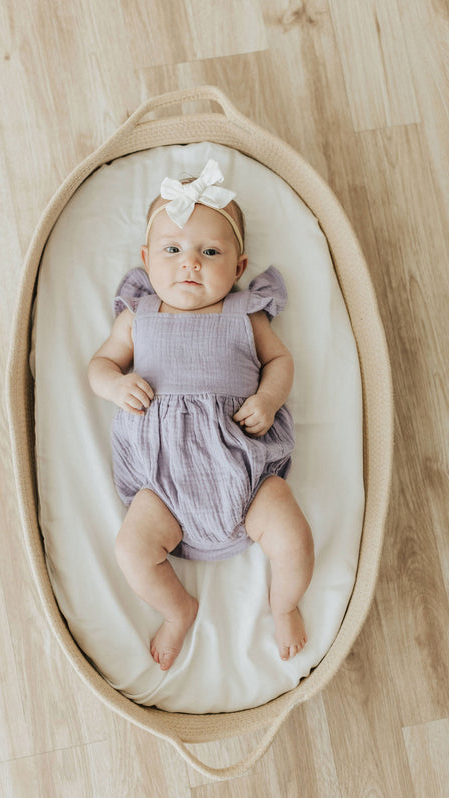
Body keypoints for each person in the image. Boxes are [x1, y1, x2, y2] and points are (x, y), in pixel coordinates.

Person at [88, 159, 314, 671]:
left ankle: (285, 604)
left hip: (244, 471)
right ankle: (177, 610)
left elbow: (280, 361)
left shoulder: (244, 312)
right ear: (146, 261)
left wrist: (269, 398)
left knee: (293, 535)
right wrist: (116, 384)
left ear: (238, 267)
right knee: (131, 550)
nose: (190, 263)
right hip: (163, 485)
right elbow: (99, 365)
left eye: (209, 252)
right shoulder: (138, 316)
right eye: (173, 250)